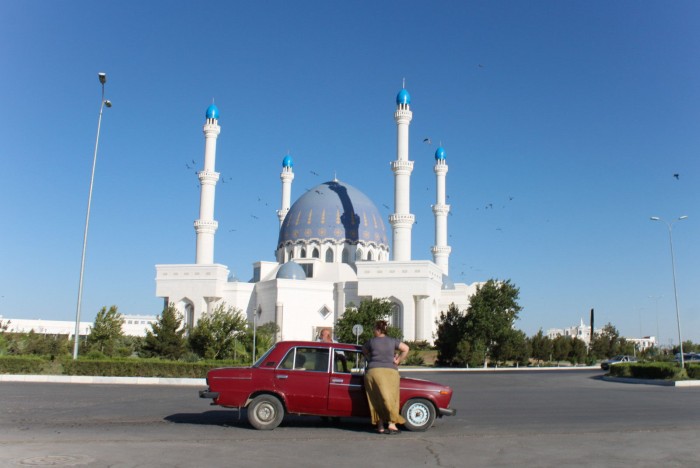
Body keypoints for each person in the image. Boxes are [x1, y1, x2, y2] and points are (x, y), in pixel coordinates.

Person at [362, 320, 409, 434]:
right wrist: (398, 360)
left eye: (374, 329)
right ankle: (392, 424)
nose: (373, 331)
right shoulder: (393, 341)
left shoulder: (371, 342)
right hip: (390, 372)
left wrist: (370, 359)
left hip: (374, 372)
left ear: (378, 330)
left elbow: (364, 350)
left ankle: (380, 426)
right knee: (391, 398)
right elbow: (406, 348)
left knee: (376, 400)